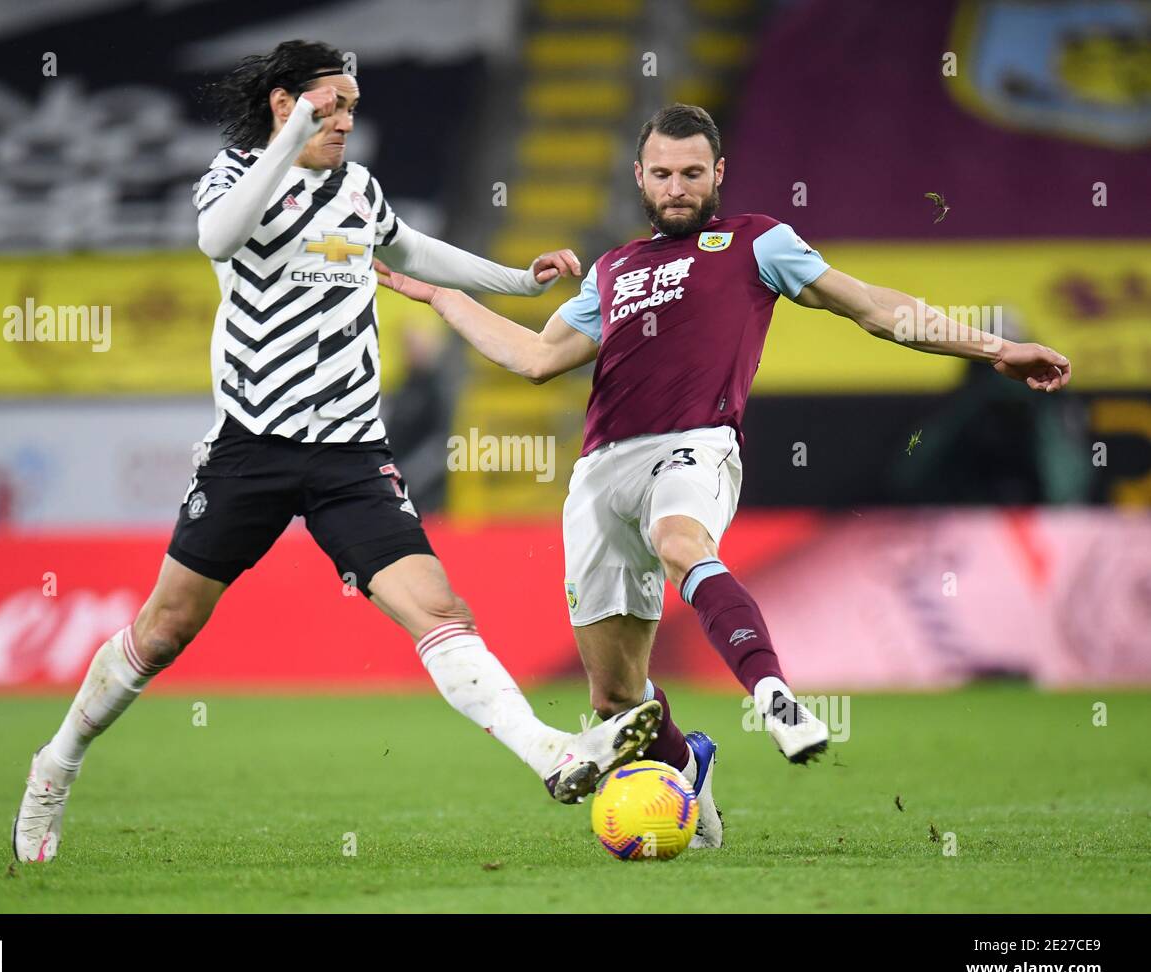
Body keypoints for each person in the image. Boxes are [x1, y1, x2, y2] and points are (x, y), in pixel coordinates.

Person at [12, 40, 661, 864]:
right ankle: (56, 763)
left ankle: (552, 753)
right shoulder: (233, 180)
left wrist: (519, 282)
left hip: (352, 452)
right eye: (333, 105)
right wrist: (290, 139)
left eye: (352, 106)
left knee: (440, 611)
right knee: (166, 629)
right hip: (252, 447)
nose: (348, 120)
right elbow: (217, 239)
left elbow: (408, 249)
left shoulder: (356, 187)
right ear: (286, 105)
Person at [376, 103, 1073, 850]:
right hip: (600, 473)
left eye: (693, 173)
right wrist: (444, 297)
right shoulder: (612, 271)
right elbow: (535, 358)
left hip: (695, 444)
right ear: (640, 177)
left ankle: (773, 694)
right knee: (615, 698)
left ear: (718, 175)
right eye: (664, 174)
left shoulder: (755, 242)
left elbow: (873, 308)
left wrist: (995, 349)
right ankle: (689, 764)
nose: (678, 187)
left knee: (681, 540)